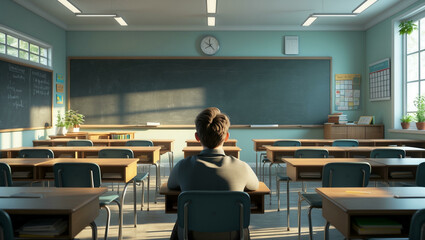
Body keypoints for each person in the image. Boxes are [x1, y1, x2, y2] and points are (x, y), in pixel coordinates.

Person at [168, 107, 259, 240]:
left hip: (191, 234)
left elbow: (171, 185)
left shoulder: (182, 166)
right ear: (226, 137)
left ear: (197, 137)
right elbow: (255, 186)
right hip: (232, 235)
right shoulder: (242, 167)